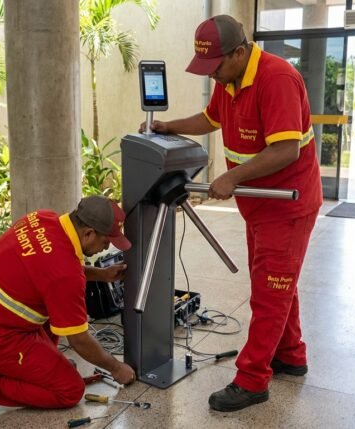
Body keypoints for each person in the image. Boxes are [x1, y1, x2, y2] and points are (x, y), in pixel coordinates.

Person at [141, 15, 322, 412]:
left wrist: (233, 176)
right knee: (274, 282)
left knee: (269, 292)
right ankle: (291, 355)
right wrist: (168, 127)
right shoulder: (231, 80)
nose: (214, 76)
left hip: (287, 206)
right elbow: (211, 118)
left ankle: (253, 379)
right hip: (260, 204)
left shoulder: (277, 79)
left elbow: (286, 149)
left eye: (217, 66)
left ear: (239, 52)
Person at [0, 195, 136, 420]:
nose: (105, 248)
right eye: (106, 242)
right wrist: (115, 368)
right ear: (88, 233)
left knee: (56, 314)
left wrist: (101, 275)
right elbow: (79, 339)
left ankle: (42, 367)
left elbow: (51, 268)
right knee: (69, 390)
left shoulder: (43, 218)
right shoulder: (65, 275)